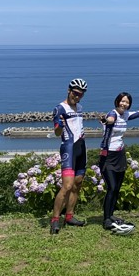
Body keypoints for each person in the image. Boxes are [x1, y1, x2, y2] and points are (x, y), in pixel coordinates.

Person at [98, 91, 139, 235]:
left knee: (117, 187)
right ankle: (106, 219)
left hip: (120, 154)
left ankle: (111, 215)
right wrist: (105, 121)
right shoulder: (113, 113)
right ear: (117, 101)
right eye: (122, 101)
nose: (124, 104)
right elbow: (110, 120)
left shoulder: (126, 115)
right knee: (111, 187)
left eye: (127, 102)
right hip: (107, 155)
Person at [50, 78, 89, 235]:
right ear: (69, 90)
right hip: (68, 148)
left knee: (77, 183)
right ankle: (54, 220)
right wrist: (59, 125)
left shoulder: (79, 107)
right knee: (66, 186)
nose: (77, 96)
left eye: (81, 94)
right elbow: (57, 133)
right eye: (75, 93)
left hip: (81, 147)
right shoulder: (60, 108)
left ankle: (69, 216)